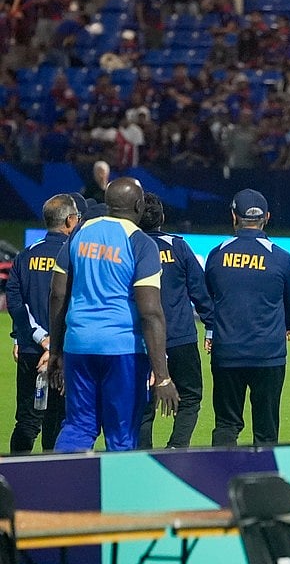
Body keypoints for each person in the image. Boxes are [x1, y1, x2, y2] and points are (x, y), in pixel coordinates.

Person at [48, 178, 179, 452]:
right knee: (121, 433)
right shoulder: (141, 243)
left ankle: (62, 490)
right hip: (123, 350)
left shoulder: (80, 233)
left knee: (78, 425)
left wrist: (56, 351)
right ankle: (118, 494)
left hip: (79, 345)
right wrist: (163, 376)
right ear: (139, 205)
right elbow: (150, 312)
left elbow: (58, 295)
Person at [205, 189, 290, 446]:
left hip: (227, 352)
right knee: (266, 431)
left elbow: (209, 296)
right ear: (267, 217)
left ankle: (221, 481)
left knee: (226, 424)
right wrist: (286, 325)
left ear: (233, 216)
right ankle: (265, 483)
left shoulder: (217, 255)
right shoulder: (281, 258)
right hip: (268, 354)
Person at [136, 193, 215, 449]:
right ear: (163, 218)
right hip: (179, 337)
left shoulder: (129, 246)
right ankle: (176, 449)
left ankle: (142, 456)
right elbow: (200, 291)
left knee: (141, 404)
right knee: (190, 397)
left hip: (140, 339)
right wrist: (211, 326)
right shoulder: (177, 247)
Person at [6, 194, 78, 453]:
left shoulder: (25, 256)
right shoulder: (74, 255)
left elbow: (16, 304)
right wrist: (54, 346)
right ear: (70, 220)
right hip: (65, 353)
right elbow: (75, 304)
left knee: (26, 421)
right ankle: (54, 484)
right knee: (58, 423)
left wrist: (39, 340)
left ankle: (15, 482)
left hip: (29, 351)